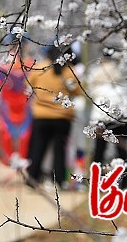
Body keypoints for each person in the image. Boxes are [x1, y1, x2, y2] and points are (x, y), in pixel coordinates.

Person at [25, 43, 84, 189]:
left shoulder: (39, 68)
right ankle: (58, 180)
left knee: (38, 147)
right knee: (60, 149)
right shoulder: (68, 71)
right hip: (62, 117)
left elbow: (28, 86)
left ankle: (32, 178)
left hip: (41, 115)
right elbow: (78, 91)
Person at [87, 56, 127, 187]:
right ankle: (125, 183)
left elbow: (89, 93)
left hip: (101, 118)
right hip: (121, 117)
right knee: (122, 150)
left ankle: (96, 181)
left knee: (99, 151)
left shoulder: (95, 77)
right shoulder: (121, 76)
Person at [0, 34, 33, 167]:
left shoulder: (30, 63)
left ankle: (23, 159)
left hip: (25, 104)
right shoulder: (2, 65)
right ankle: (9, 159)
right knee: (6, 133)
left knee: (26, 135)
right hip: (7, 105)